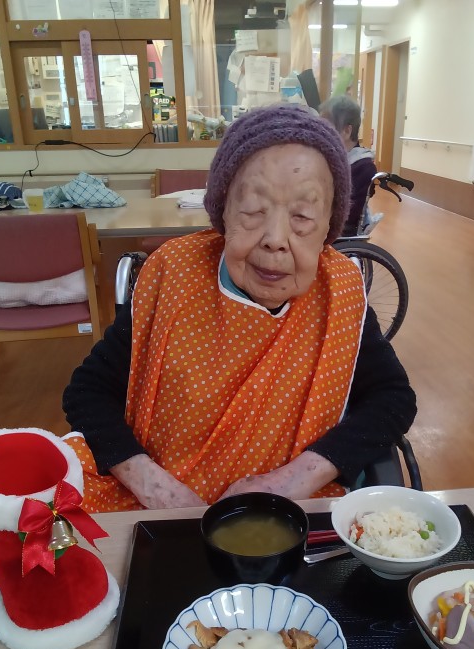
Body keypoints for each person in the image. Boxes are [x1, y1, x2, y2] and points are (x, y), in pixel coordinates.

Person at [62, 103, 416, 513]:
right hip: (156, 505)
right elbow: (87, 392)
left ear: (328, 228)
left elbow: (393, 398)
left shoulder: (339, 294)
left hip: (287, 511)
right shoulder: (172, 275)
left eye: (303, 216)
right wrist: (155, 487)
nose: (275, 239)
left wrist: (292, 480)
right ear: (223, 212)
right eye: (252, 210)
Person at [319, 95, 377, 234]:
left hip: (335, 230)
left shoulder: (363, 167)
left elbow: (347, 215)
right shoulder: (330, 157)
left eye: (326, 128)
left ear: (346, 131)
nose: (321, 133)